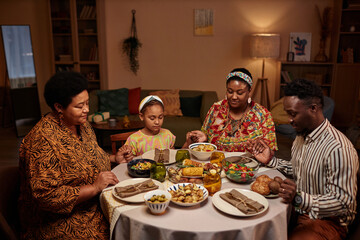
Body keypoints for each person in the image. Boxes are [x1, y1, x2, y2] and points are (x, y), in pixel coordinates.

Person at [18, 71, 132, 239]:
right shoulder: (42, 140)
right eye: (79, 106)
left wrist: (114, 158)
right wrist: (94, 187)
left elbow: (89, 155)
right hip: (61, 222)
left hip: (94, 204)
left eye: (87, 103)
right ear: (58, 107)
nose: (86, 109)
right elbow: (47, 196)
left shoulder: (81, 124)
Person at [251, 78, 359, 240]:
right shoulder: (302, 135)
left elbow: (343, 203)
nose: (289, 120)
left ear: (313, 108)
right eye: (288, 114)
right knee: (256, 221)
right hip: (300, 209)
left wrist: (300, 198)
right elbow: (299, 169)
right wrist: (270, 161)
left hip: (328, 221)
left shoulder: (339, 148)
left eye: (293, 114)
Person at [183, 68, 277, 152]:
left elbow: (270, 152)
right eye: (230, 91)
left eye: (240, 93)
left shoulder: (263, 114)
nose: (234, 97)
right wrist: (202, 138)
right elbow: (205, 142)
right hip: (216, 164)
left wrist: (261, 147)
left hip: (250, 166)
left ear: (249, 91)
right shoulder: (216, 108)